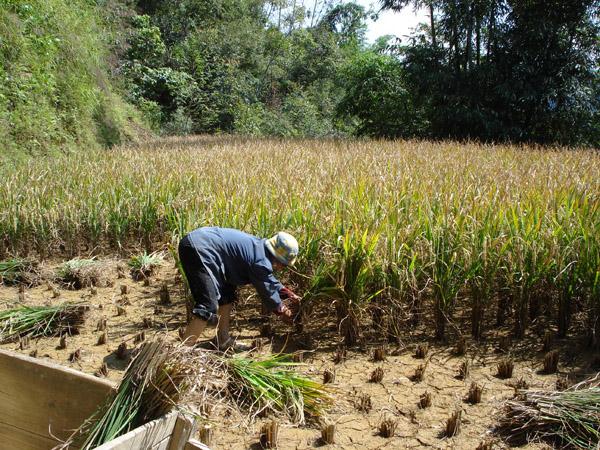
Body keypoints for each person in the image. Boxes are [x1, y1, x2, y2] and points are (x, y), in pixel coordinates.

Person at [179, 226, 301, 350]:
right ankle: (182, 353)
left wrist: (288, 294)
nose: (282, 268)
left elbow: (268, 280)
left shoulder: (260, 250)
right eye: (285, 265)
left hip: (201, 243)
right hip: (200, 248)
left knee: (226, 295)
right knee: (208, 305)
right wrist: (282, 311)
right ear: (279, 259)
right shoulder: (260, 261)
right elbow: (267, 291)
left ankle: (223, 340)